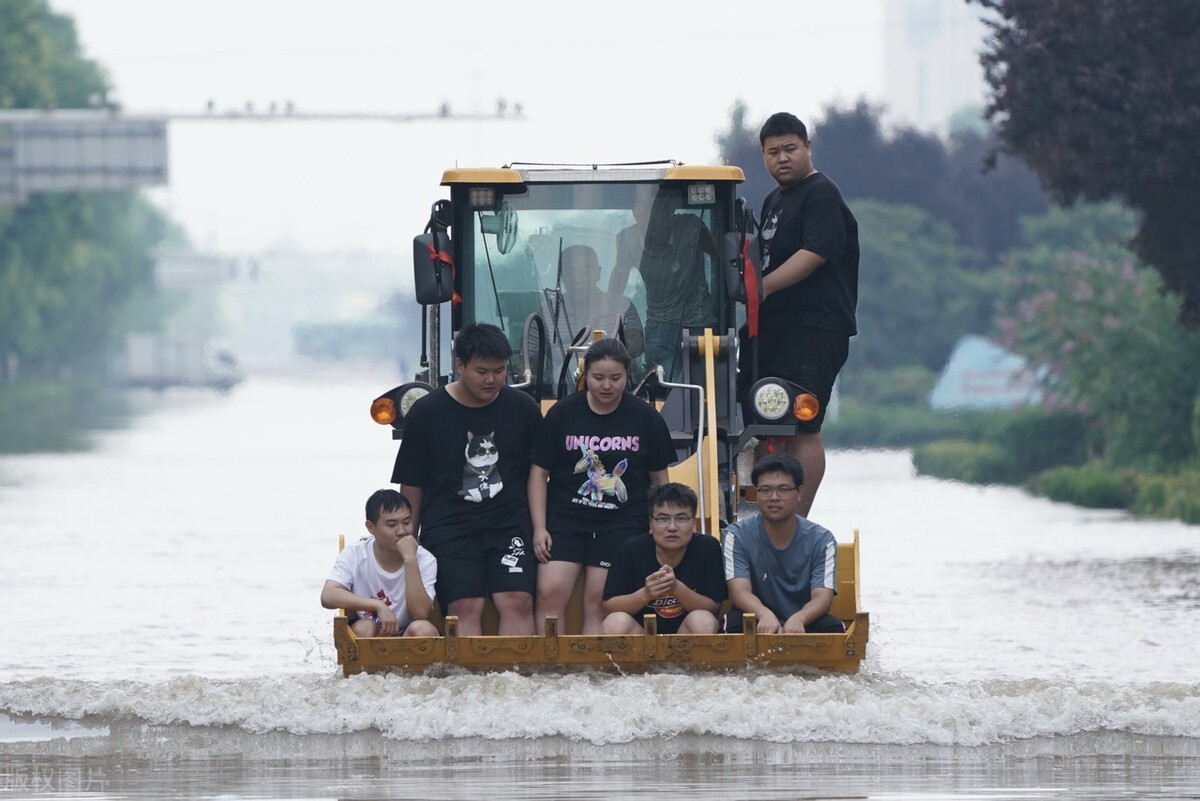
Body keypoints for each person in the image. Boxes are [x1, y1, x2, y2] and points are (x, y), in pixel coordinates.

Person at [739, 112, 860, 518]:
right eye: (772, 152)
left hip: (814, 326)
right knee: (764, 422)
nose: (782, 158)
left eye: (790, 148)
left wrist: (763, 287)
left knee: (804, 426)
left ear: (808, 147)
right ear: (763, 156)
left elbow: (814, 253)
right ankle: (765, 516)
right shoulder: (774, 200)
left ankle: (797, 520)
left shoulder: (821, 194)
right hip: (773, 327)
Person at [392, 322, 541, 636]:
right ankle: (466, 670)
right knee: (465, 606)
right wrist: (408, 538)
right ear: (460, 365)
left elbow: (538, 474)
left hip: (509, 524)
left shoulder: (523, 409)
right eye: (482, 371)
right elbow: (412, 483)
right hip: (450, 527)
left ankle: (518, 669)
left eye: (499, 371)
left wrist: (541, 528)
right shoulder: (427, 413)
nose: (491, 380)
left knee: (517, 600)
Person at [528, 337, 676, 634]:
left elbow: (660, 480)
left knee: (599, 600)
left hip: (622, 520)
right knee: (549, 592)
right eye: (598, 378)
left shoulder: (645, 417)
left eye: (615, 378)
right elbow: (538, 474)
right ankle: (550, 661)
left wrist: (657, 522)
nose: (606, 386)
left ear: (627, 376)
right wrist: (539, 528)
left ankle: (592, 664)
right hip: (566, 517)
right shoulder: (562, 414)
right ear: (585, 375)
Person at [722, 453, 845, 635]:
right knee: (731, 626)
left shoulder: (822, 540)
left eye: (784, 490)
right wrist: (763, 614)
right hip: (757, 615)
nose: (774, 497)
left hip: (803, 619)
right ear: (756, 493)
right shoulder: (736, 535)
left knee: (833, 629)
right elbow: (740, 592)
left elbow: (823, 597)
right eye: (765, 490)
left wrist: (800, 618)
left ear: (799, 492)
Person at [608, 186, 717, 378]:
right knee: (669, 381)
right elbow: (617, 284)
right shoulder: (628, 239)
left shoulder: (690, 227)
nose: (651, 218)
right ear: (634, 212)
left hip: (699, 323)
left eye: (657, 210)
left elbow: (721, 255)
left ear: (669, 210)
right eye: (644, 210)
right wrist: (610, 317)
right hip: (659, 326)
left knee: (702, 382)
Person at [601, 482, 727, 635]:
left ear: (694, 523)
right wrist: (646, 594)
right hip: (640, 636)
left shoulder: (707, 547)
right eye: (663, 519)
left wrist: (677, 588)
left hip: (686, 633)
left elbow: (714, 607)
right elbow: (609, 606)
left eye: (681, 518)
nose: (672, 527)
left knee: (703, 620)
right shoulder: (631, 549)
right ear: (650, 523)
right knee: (615, 623)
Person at [320, 489, 439, 637]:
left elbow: (420, 613)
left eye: (407, 522)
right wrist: (378, 605)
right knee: (364, 627)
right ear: (371, 527)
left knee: (423, 629)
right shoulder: (355, 554)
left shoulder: (425, 559)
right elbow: (328, 595)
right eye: (391, 525)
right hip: (371, 632)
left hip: (408, 634)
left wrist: (410, 559)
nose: (402, 531)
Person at [546, 244, 644, 361]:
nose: (577, 279)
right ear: (561, 276)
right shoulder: (548, 312)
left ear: (598, 273)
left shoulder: (623, 306)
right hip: (561, 373)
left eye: (585, 271)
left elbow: (636, 344)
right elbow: (532, 360)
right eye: (570, 272)